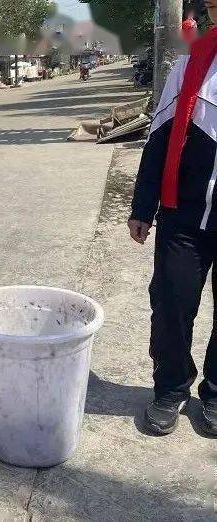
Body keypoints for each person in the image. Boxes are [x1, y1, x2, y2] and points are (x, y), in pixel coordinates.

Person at [129, 6, 217, 436]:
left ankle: (216, 390)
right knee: (172, 304)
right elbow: (161, 134)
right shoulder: (190, 63)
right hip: (183, 214)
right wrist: (142, 207)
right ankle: (171, 386)